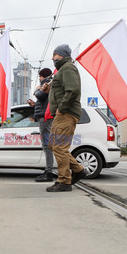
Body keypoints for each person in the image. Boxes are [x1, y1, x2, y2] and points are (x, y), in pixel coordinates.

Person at [46, 44, 86, 192]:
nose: (52, 58)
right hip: (62, 114)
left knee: (59, 147)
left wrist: (61, 109)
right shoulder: (62, 70)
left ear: (62, 55)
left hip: (66, 114)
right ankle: (79, 170)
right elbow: (62, 90)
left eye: (55, 54)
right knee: (53, 145)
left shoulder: (68, 68)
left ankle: (64, 181)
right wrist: (49, 89)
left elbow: (73, 89)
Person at [31, 68, 55, 182]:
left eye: (40, 76)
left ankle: (49, 172)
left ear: (43, 76)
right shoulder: (47, 83)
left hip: (46, 118)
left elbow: (40, 95)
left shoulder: (47, 84)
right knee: (47, 145)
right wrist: (34, 105)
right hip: (44, 116)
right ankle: (48, 170)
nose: (39, 78)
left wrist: (36, 90)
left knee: (47, 145)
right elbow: (43, 101)